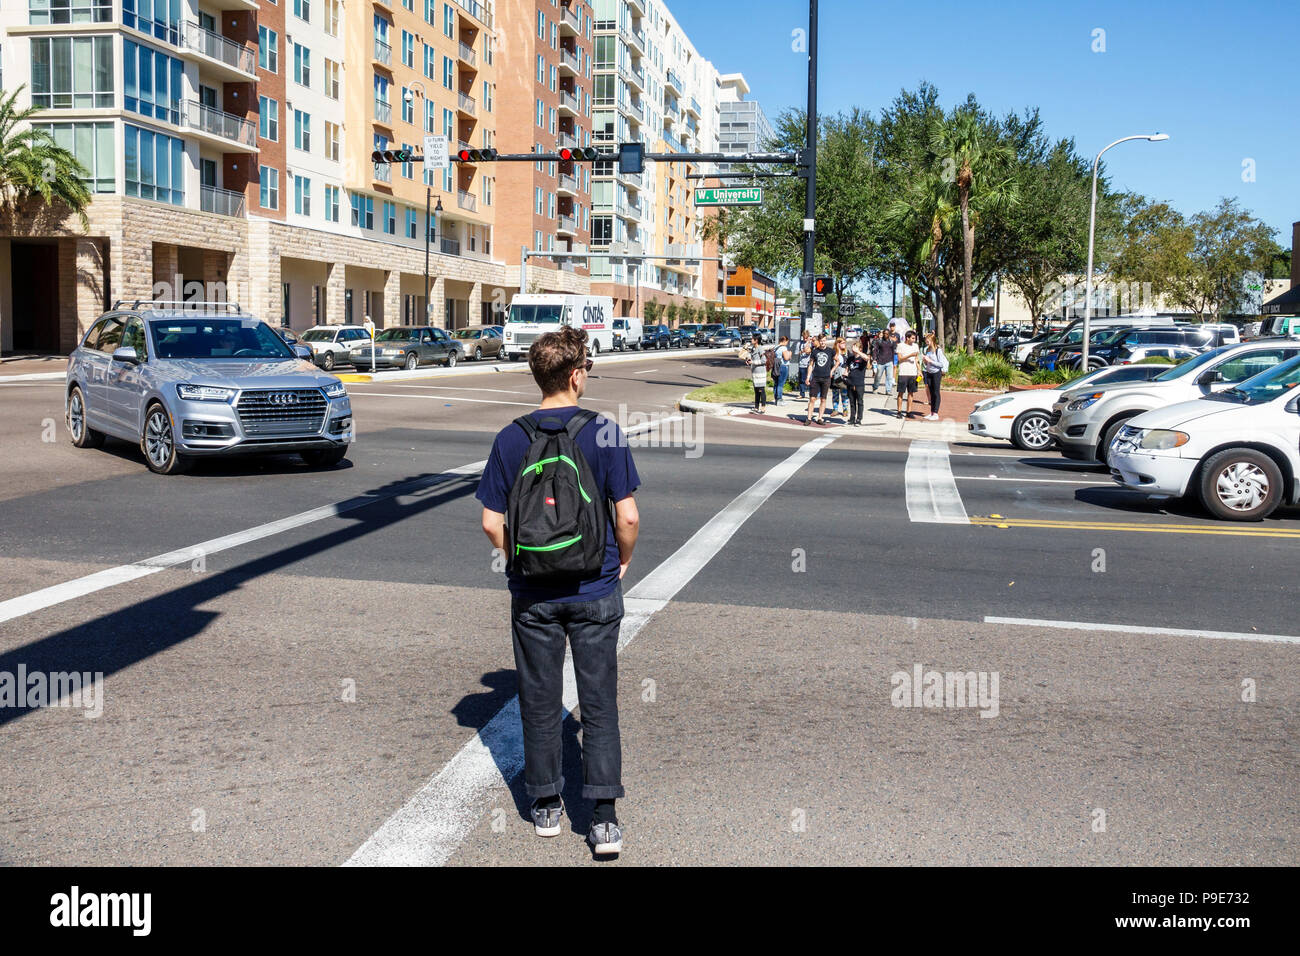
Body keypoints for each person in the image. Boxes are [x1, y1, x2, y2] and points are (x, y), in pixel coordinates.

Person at [476, 326, 640, 856]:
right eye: (586, 368)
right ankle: (604, 820)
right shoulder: (606, 432)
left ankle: (545, 804)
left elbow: (489, 522)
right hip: (594, 588)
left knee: (539, 698)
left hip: (532, 593)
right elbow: (628, 516)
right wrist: (623, 562)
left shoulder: (510, 437)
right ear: (575, 375)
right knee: (598, 702)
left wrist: (516, 559)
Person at [803, 332, 837, 426]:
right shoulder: (815, 351)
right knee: (812, 399)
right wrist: (808, 377)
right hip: (816, 377)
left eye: (824, 340)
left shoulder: (831, 351)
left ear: (826, 341)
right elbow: (811, 365)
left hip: (826, 378)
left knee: (823, 399)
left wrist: (832, 371)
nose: (822, 342)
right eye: (821, 341)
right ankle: (809, 418)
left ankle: (820, 418)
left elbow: (837, 360)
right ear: (819, 341)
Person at [921, 332, 947, 421]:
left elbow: (941, 364)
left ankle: (936, 413)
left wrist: (930, 361)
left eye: (927, 340)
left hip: (936, 373)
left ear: (932, 340)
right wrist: (925, 360)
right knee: (931, 393)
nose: (926, 342)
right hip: (929, 373)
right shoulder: (928, 350)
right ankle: (931, 412)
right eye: (926, 340)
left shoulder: (938, 350)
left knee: (936, 393)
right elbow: (927, 362)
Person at [895, 329, 920, 419]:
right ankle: (899, 411)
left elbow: (917, 359)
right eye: (912, 338)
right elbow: (900, 359)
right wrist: (910, 355)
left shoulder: (916, 346)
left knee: (911, 393)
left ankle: (909, 411)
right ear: (907, 338)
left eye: (915, 338)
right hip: (903, 373)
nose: (914, 340)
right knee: (901, 393)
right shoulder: (900, 346)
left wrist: (919, 370)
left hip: (913, 373)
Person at [845, 336, 869, 425]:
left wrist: (858, 352)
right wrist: (845, 376)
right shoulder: (850, 358)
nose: (853, 349)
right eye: (852, 347)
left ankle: (859, 419)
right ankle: (852, 418)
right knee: (852, 402)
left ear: (860, 348)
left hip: (859, 383)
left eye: (855, 347)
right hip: (850, 382)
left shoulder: (862, 358)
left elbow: (867, 358)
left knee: (860, 401)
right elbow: (847, 369)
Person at [743, 334, 768, 413]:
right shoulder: (754, 348)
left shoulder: (760, 348)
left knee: (761, 390)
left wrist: (753, 362)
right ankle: (756, 407)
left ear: (756, 340)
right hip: (755, 372)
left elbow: (764, 360)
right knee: (756, 390)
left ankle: (763, 408)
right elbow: (751, 358)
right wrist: (749, 360)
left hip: (760, 373)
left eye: (752, 339)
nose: (751, 340)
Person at [872, 329, 896, 395]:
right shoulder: (879, 341)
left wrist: (894, 362)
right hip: (880, 361)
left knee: (889, 377)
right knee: (878, 376)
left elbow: (893, 352)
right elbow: (875, 350)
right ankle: (875, 387)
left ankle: (888, 390)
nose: (886, 335)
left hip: (889, 361)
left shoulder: (891, 342)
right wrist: (874, 359)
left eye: (887, 334)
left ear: (889, 334)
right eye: (884, 333)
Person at [829, 337, 848, 419]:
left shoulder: (847, 353)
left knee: (844, 393)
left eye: (844, 342)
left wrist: (847, 371)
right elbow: (830, 363)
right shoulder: (833, 352)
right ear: (838, 344)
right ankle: (835, 409)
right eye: (842, 343)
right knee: (835, 393)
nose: (844, 344)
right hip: (835, 375)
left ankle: (845, 409)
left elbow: (849, 363)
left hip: (843, 375)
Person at [772, 335, 792, 406]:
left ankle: (776, 399)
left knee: (776, 383)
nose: (787, 343)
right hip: (783, 366)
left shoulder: (775, 347)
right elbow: (786, 358)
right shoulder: (783, 348)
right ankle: (779, 399)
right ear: (784, 341)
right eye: (787, 342)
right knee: (781, 384)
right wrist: (790, 354)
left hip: (775, 367)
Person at [795, 330, 812, 399]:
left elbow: (812, 351)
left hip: (809, 364)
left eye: (806, 337)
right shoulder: (799, 344)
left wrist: (809, 349)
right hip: (802, 363)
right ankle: (802, 393)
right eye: (804, 337)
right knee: (802, 380)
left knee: (810, 379)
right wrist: (802, 351)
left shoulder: (811, 343)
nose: (805, 339)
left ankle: (812, 394)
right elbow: (796, 353)